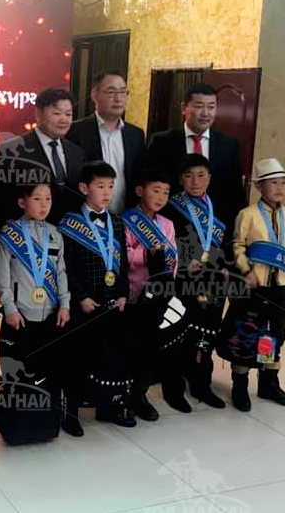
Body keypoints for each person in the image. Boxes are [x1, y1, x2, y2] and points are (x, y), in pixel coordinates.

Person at [58, 160, 134, 435]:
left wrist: (123, 293)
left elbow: (122, 263)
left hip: (112, 301)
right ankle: (71, 412)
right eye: (100, 186)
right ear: (84, 188)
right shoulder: (69, 223)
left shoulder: (116, 221)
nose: (107, 193)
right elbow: (64, 266)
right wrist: (80, 297)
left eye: (111, 187)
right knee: (78, 357)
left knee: (110, 356)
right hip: (83, 303)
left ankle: (107, 406)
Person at [219, 158, 285, 412]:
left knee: (273, 334)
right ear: (259, 186)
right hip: (253, 287)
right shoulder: (247, 215)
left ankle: (268, 382)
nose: (279, 188)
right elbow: (237, 246)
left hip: (279, 286)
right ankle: (240, 385)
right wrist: (246, 269)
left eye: (282, 183)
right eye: (273, 183)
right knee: (246, 334)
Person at [0, 180, 71, 416]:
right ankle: (14, 421)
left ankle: (46, 420)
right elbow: (2, 279)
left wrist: (65, 304)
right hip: (20, 317)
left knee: (48, 369)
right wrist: (9, 308)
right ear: (22, 202)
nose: (44, 205)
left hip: (50, 316)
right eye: (37, 199)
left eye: (48, 199)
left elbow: (61, 272)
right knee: (17, 371)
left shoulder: (55, 234)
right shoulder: (9, 234)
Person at [160, 154, 229, 411]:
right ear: (180, 180)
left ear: (209, 178)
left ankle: (202, 386)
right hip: (183, 281)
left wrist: (226, 266)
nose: (195, 181)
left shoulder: (219, 206)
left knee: (205, 336)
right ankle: (173, 390)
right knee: (178, 335)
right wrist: (184, 262)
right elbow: (165, 243)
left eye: (201, 175)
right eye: (189, 176)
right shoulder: (170, 207)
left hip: (213, 282)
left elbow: (229, 241)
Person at [145, 83, 246, 253]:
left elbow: (236, 195)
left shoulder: (228, 145)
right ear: (184, 108)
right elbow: (150, 187)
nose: (206, 113)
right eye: (199, 106)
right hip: (171, 235)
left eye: (211, 107)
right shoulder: (162, 142)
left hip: (215, 237)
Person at [121, 168, 177, 422]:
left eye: (165, 192)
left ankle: (140, 393)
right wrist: (146, 254)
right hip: (134, 294)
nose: (161, 197)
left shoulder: (167, 224)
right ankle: (123, 392)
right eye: (155, 190)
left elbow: (173, 258)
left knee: (151, 346)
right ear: (139, 191)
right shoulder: (127, 220)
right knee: (130, 346)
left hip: (159, 295)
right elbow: (122, 255)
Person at [0, 88, 85, 226]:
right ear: (38, 114)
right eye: (56, 113)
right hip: (27, 233)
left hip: (71, 233)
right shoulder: (11, 151)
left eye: (68, 114)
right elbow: (2, 203)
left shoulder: (77, 152)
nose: (63, 120)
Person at [66, 71, 145, 214]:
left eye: (123, 92)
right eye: (111, 92)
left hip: (126, 217)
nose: (118, 99)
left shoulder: (135, 135)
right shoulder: (75, 131)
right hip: (84, 218)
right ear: (94, 95)